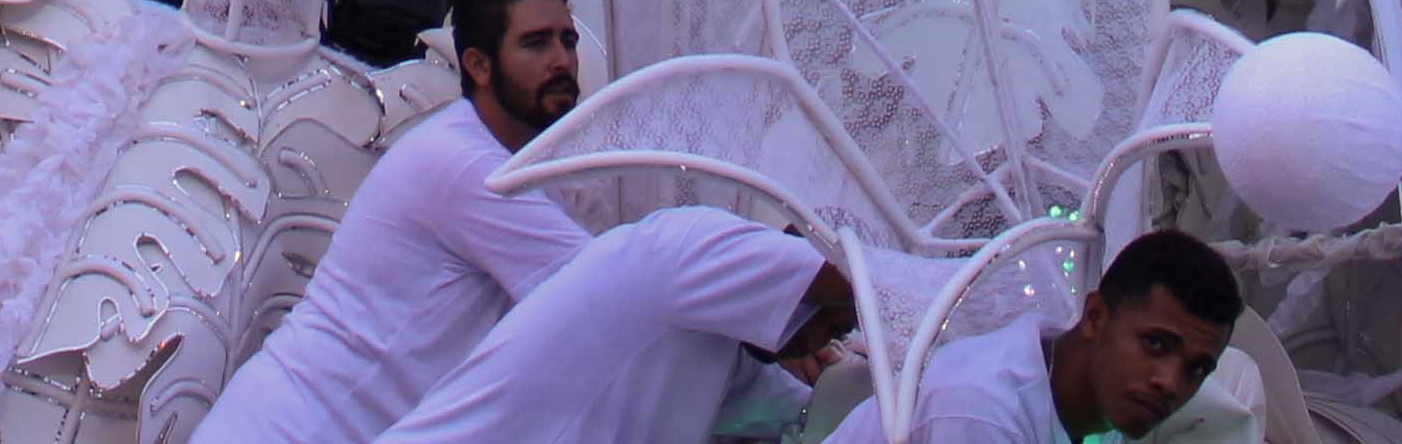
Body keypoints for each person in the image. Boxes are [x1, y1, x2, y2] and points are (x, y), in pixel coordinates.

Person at [200, 0, 597, 444]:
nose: (562, 60)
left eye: (568, 41)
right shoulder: (463, 162)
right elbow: (611, 293)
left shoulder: (528, 173)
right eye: (537, 43)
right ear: (478, 65)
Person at [366, 204, 854, 444]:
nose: (828, 333)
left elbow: (834, 422)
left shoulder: (732, 365)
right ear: (785, 261)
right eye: (828, 313)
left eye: (840, 329)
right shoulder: (686, 249)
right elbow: (862, 280)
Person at [817, 229, 1245, 444]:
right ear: (1095, 317)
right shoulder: (981, 408)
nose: (1170, 383)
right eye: (1156, 344)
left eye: (1196, 369)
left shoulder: (1103, 403)